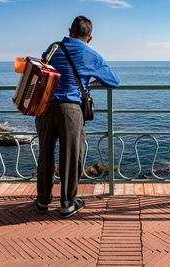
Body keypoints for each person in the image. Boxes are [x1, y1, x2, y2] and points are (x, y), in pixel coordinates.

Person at [34, 16, 119, 218]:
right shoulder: (91, 54)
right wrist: (89, 82)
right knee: (71, 157)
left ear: (70, 32)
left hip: (44, 108)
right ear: (89, 38)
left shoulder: (53, 48)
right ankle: (67, 204)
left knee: (45, 155)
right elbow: (113, 81)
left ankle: (42, 202)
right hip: (70, 110)